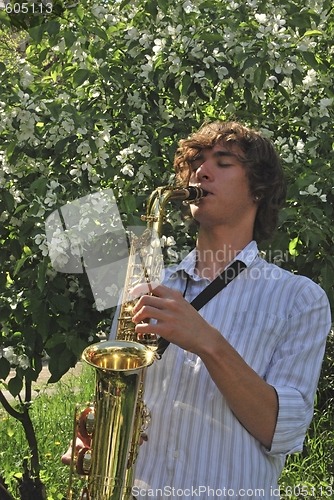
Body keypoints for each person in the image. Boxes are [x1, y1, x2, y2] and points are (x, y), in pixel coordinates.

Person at [63, 121, 331, 499]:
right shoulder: (144, 287)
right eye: (195, 162)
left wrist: (206, 340)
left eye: (222, 162)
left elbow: (282, 430)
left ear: (259, 188)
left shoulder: (300, 298)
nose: (200, 171)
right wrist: (99, 437)